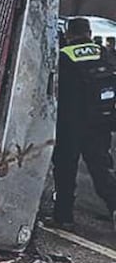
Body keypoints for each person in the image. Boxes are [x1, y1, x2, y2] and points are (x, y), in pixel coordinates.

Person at [52, 17, 116, 231]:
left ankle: (64, 218)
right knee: (102, 170)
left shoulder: (64, 56)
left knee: (65, 172)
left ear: (69, 34)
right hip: (100, 122)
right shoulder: (103, 53)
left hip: (70, 124)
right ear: (89, 33)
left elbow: (56, 91)